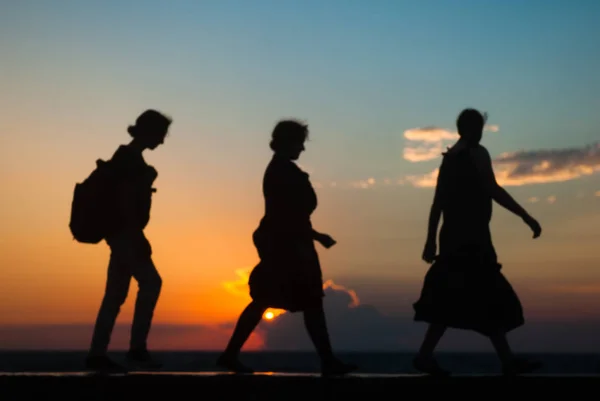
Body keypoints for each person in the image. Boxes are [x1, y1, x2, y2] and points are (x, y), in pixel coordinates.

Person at [217, 119, 357, 376]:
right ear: (288, 142)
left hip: (290, 241)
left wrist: (314, 236)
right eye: (300, 143)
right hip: (287, 245)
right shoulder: (282, 172)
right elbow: (287, 214)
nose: (302, 149)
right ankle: (327, 361)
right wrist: (312, 238)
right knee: (290, 301)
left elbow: (291, 214)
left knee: (286, 301)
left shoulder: (281, 170)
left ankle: (231, 354)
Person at [412, 108, 542, 376]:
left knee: (460, 296)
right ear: (469, 129)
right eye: (478, 127)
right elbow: (492, 190)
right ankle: (506, 361)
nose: (480, 132)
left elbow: (438, 203)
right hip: (470, 238)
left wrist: (430, 241)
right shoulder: (473, 155)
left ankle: (503, 361)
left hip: (456, 238)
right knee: (483, 293)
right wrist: (525, 216)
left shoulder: (450, 160)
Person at [85, 109, 172, 372]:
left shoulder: (128, 158)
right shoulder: (129, 159)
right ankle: (136, 350)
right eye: (161, 134)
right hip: (125, 234)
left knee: (114, 294)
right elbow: (125, 202)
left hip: (121, 233)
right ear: (149, 131)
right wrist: (135, 236)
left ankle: (98, 354)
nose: (162, 141)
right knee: (151, 283)